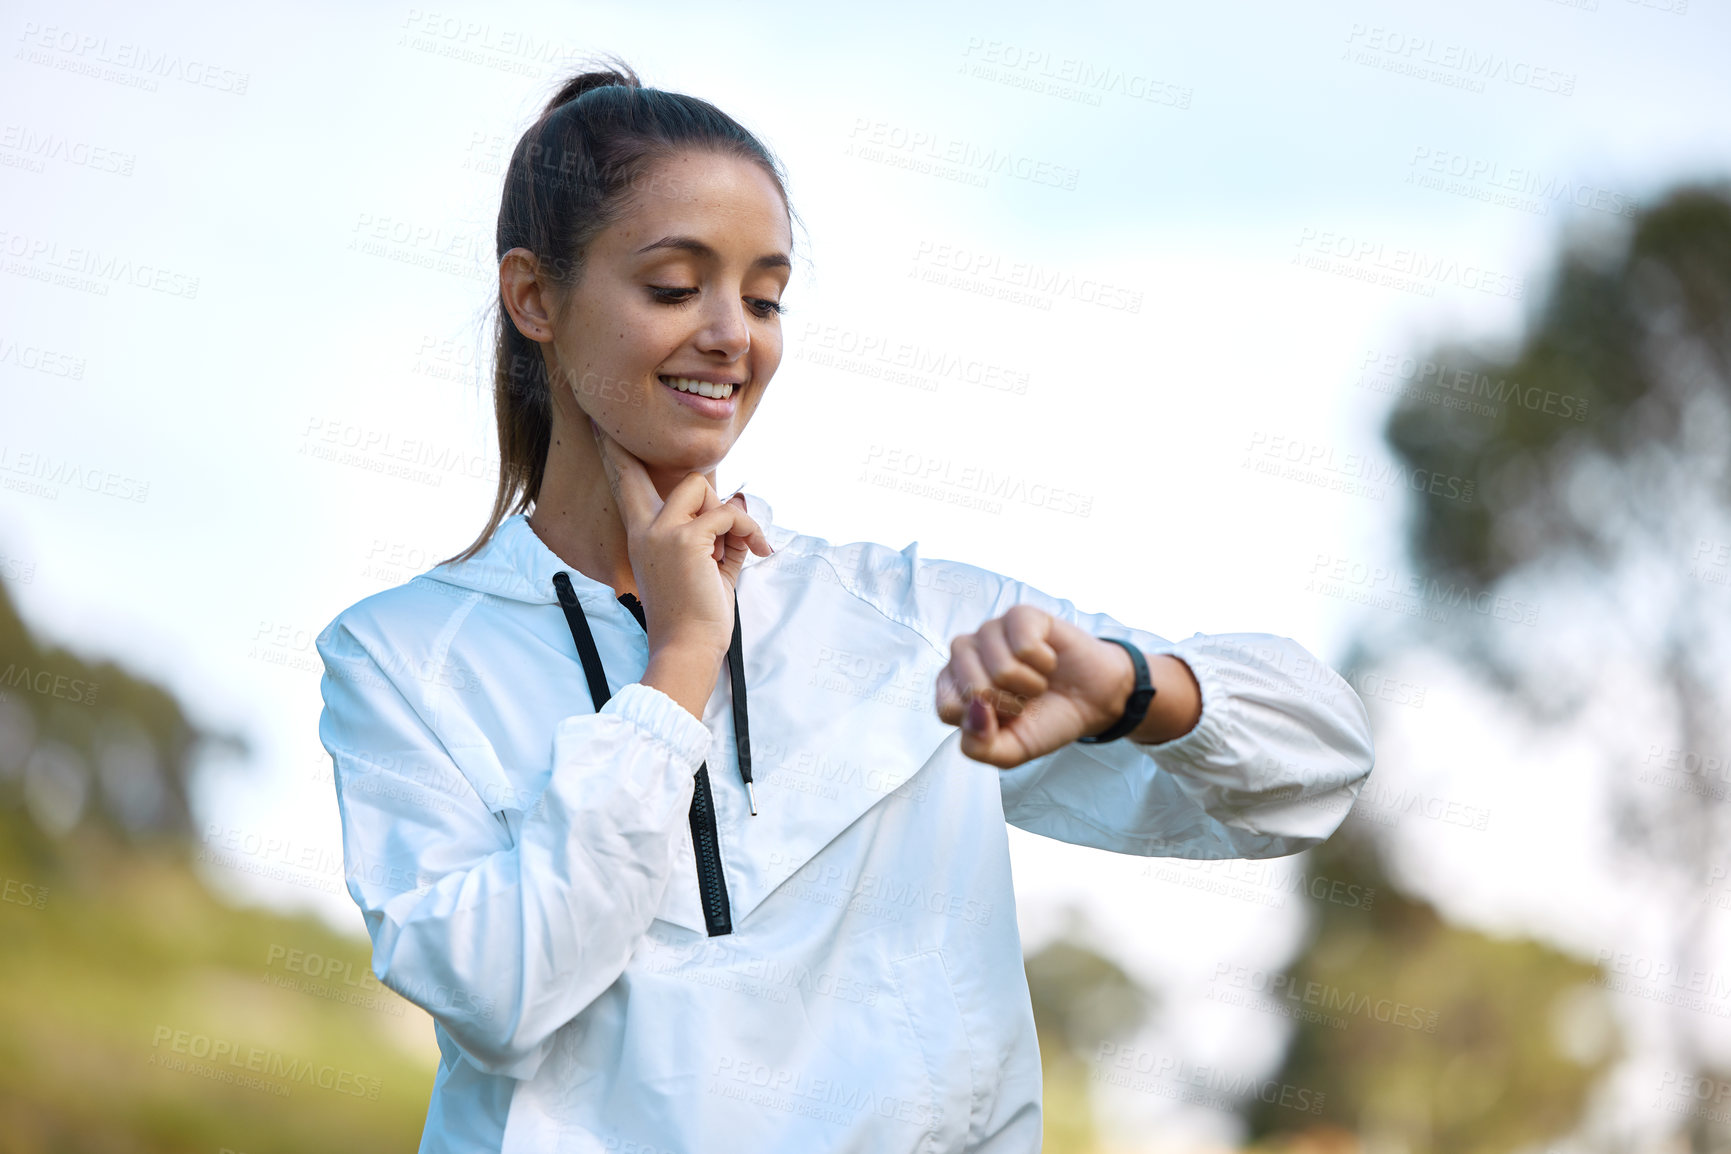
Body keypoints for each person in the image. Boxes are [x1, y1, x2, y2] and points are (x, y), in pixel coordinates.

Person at [316, 59, 1376, 1154]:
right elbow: (497, 989)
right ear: (535, 295)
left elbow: (1321, 766)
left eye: (765, 296)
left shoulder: (904, 614)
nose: (735, 334)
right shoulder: (397, 656)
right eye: (677, 287)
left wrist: (1127, 687)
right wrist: (678, 665)